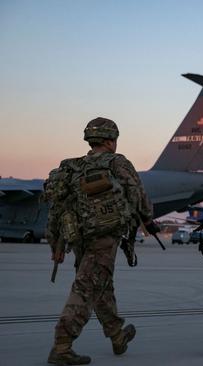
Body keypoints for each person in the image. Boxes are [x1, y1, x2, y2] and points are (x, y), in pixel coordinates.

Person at [46, 117, 158, 365]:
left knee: (101, 285)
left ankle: (117, 336)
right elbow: (137, 194)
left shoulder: (71, 167)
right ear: (111, 141)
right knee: (86, 288)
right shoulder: (117, 163)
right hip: (104, 237)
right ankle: (62, 346)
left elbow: (57, 206)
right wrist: (148, 220)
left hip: (79, 237)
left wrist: (55, 242)